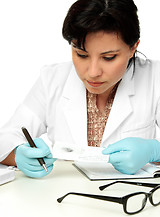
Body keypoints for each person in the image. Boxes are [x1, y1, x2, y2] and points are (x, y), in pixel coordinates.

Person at [1, 0, 160, 178]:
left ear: (133, 48)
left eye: (108, 57)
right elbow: (6, 136)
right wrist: (19, 154)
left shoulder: (155, 77)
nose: (93, 72)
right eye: (81, 55)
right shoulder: (52, 79)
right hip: (63, 197)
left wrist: (155, 151)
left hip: (131, 198)